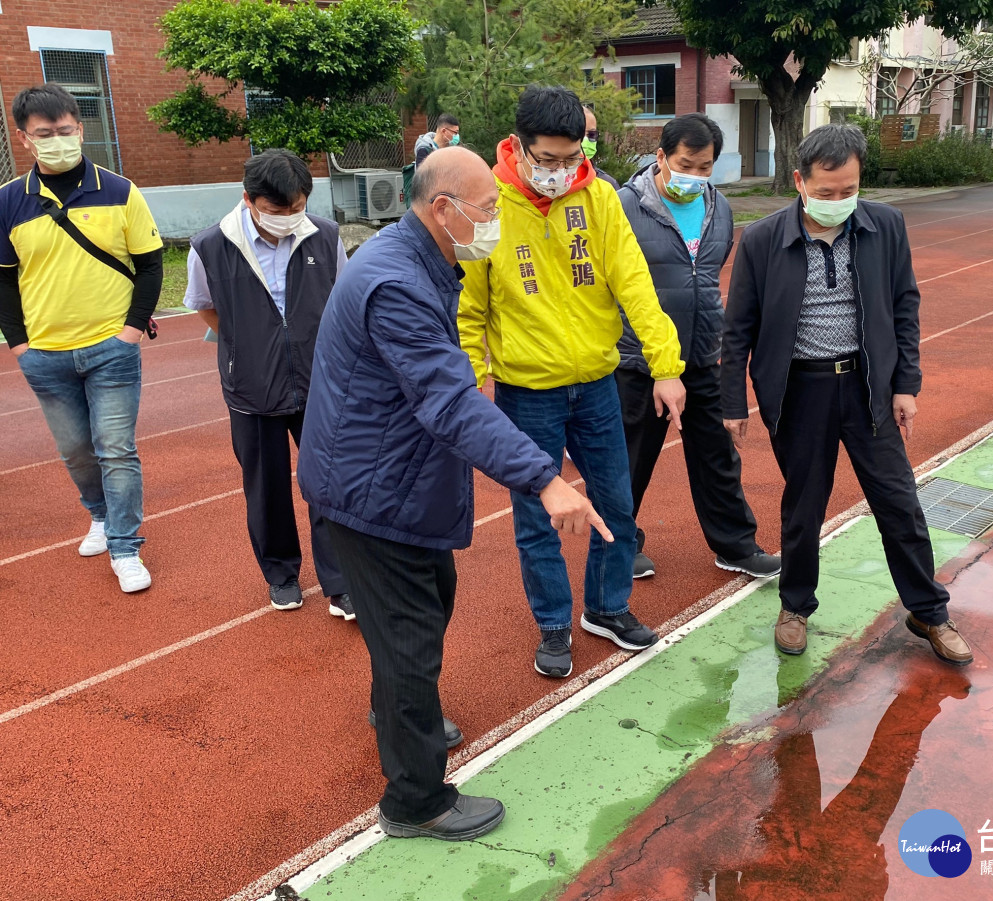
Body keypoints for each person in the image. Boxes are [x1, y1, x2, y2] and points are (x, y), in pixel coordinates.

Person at [296, 146, 610, 841]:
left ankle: (396, 714)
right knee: (412, 641)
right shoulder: (399, 282)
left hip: (382, 477)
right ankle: (416, 800)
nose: (497, 219)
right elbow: (450, 401)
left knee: (419, 614)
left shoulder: (423, 260)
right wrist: (543, 480)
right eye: (491, 208)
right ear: (444, 208)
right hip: (373, 492)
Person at [721, 123, 972, 667]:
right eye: (827, 192)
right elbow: (737, 327)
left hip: (868, 388)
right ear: (800, 181)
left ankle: (929, 611)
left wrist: (906, 383)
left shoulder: (884, 225)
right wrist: (732, 402)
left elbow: (904, 305)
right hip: (799, 392)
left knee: (899, 502)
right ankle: (795, 607)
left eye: (849, 190)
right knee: (803, 504)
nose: (839, 202)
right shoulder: (763, 239)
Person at [459, 85, 687, 680]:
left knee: (615, 501)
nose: (562, 171)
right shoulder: (488, 204)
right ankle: (553, 622)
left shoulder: (600, 198)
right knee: (539, 517)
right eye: (549, 159)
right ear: (520, 146)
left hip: (596, 385)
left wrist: (666, 364)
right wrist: (474, 377)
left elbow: (634, 282)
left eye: (572, 157)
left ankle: (607, 607)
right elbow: (469, 308)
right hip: (525, 392)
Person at [0, 84, 162, 593]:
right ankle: (97, 513)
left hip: (111, 347)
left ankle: (125, 546)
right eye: (44, 134)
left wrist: (131, 331)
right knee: (75, 449)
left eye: (65, 131)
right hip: (44, 353)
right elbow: (5, 278)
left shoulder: (119, 190)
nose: (57, 141)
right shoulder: (8, 201)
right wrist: (19, 345)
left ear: (81, 128)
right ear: (24, 139)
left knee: (115, 447)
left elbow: (151, 264)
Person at [183, 149, 353, 617]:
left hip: (320, 381)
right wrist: (249, 346)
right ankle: (281, 575)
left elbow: (340, 299)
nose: (289, 218)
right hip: (252, 388)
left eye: (297, 208)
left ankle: (342, 582)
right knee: (266, 487)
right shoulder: (211, 246)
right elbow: (206, 307)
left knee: (330, 481)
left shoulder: (325, 235)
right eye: (278, 211)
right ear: (249, 200)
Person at [616, 113, 780, 581]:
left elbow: (706, 276)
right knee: (630, 459)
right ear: (661, 157)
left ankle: (736, 545)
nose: (696, 176)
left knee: (717, 455)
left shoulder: (720, 208)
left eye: (705, 167)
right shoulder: (624, 206)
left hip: (702, 352)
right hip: (638, 357)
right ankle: (619, 545)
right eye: (687, 164)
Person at [582, 106, 620, 189]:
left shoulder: (608, 184)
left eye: (592, 134)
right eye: (579, 134)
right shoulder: (551, 183)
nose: (586, 140)